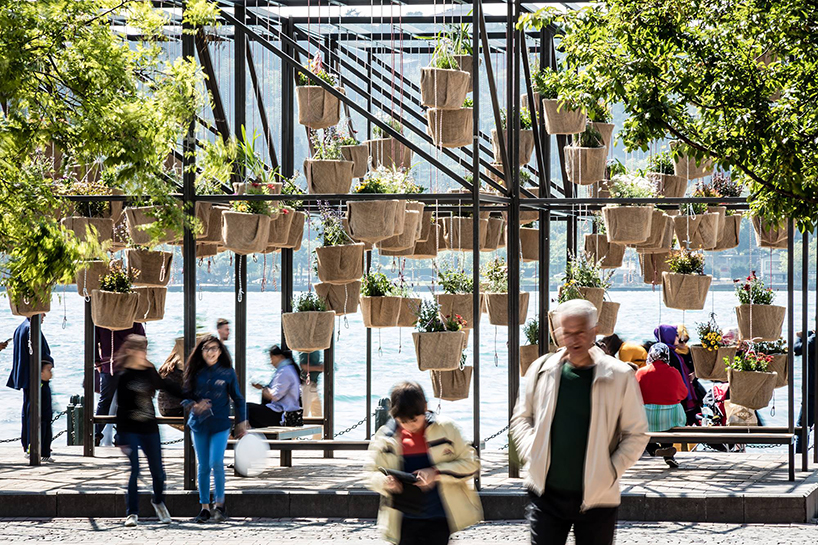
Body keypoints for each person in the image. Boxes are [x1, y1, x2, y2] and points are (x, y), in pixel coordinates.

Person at [511, 300, 649, 545]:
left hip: (598, 498)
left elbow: (636, 433)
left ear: (594, 331)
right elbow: (521, 418)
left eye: (580, 332)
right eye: (567, 333)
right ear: (559, 334)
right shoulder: (541, 369)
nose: (574, 340)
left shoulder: (619, 375)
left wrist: (610, 470)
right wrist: (533, 451)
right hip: (545, 495)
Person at [366, 381, 482, 545]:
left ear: (425, 408)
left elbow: (471, 464)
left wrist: (436, 473)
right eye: (403, 421)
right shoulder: (386, 437)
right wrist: (384, 482)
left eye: (414, 420)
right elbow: (370, 472)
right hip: (401, 520)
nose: (410, 426)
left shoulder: (447, 429)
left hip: (440, 516)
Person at [114, 335, 187, 527]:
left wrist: (191, 396)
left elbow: (167, 386)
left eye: (145, 349)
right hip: (129, 429)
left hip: (149, 428)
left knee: (158, 471)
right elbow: (120, 407)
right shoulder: (123, 375)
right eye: (141, 350)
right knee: (134, 470)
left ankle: (158, 501)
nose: (144, 353)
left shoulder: (149, 370)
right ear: (131, 351)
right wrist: (119, 436)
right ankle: (132, 513)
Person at [183, 335, 247, 523]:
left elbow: (239, 399)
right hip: (199, 425)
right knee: (203, 466)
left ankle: (220, 505)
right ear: (200, 351)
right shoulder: (193, 372)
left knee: (216, 463)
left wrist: (242, 421)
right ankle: (204, 507)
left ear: (220, 351)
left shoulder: (228, 372)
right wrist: (194, 405)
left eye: (215, 348)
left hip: (220, 425)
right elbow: (185, 396)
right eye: (207, 348)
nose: (212, 352)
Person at [7, 314, 55, 462]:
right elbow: (41, 355)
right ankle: (37, 446)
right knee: (40, 414)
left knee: (28, 412)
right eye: (42, 312)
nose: (45, 315)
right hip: (35, 379)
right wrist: (46, 368)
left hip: (26, 378)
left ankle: (29, 444)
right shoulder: (31, 329)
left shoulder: (20, 328)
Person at [636, 343, 688, 468]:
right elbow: (683, 394)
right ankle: (667, 453)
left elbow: (634, 395)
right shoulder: (673, 372)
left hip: (647, 417)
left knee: (642, 428)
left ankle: (653, 449)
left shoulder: (641, 373)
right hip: (670, 417)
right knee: (671, 421)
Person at [95, 324, 146, 446]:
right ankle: (99, 435)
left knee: (115, 402)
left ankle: (105, 436)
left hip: (118, 367)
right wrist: (97, 361)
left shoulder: (102, 319)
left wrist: (97, 362)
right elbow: (142, 341)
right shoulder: (102, 321)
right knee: (112, 402)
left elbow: (142, 341)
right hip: (112, 367)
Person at [654, 324, 702, 425]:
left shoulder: (666, 352)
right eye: (676, 335)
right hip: (677, 398)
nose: (678, 338)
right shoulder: (669, 354)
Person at [248, 345, 302, 428]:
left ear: (279, 357)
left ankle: (234, 436)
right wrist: (262, 388)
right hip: (282, 412)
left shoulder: (285, 371)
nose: (271, 362)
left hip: (281, 414)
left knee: (245, 408)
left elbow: (275, 396)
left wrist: (264, 389)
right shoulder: (287, 369)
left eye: (272, 358)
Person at [794, 330, 816, 454]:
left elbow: (797, 349)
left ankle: (799, 457)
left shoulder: (814, 339)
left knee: (803, 426)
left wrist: (801, 336)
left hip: (812, 392)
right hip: (812, 390)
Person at [299, 350, 323, 438]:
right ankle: (291, 441)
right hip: (306, 385)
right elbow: (303, 366)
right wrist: (320, 368)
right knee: (303, 415)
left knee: (318, 416)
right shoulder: (306, 349)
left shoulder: (315, 348)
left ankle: (316, 442)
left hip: (313, 386)